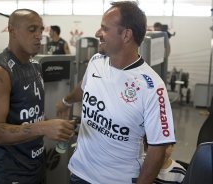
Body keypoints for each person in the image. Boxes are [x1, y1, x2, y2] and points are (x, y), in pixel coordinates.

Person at [56, 1, 175, 184]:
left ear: (126, 35)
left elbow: (158, 147)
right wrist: (66, 101)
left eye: (104, 29)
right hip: (79, 173)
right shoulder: (97, 61)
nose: (97, 33)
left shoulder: (152, 87)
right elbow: (84, 86)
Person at [0, 9, 74, 184]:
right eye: (32, 29)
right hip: (9, 170)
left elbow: (28, 116)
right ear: (12, 31)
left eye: (41, 29)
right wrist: (44, 128)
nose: (39, 35)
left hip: (35, 164)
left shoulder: (35, 66)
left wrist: (55, 126)